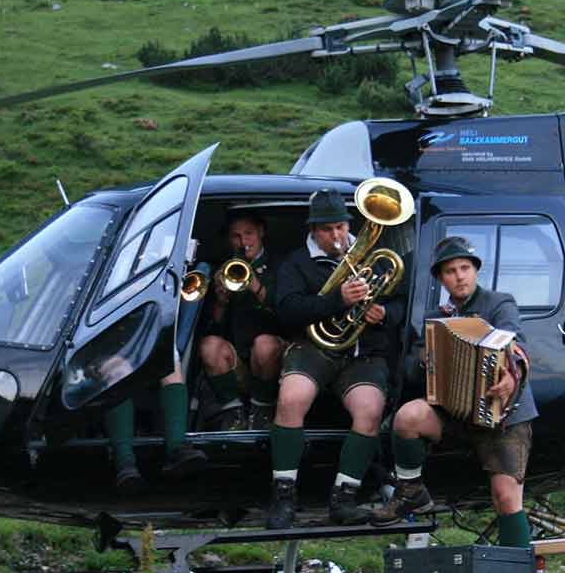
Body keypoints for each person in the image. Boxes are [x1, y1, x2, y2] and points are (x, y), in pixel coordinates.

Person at [371, 236, 538, 549]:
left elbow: (517, 344)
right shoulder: (435, 318)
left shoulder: (499, 303)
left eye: (465, 268)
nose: (459, 276)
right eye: (450, 271)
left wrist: (511, 379)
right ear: (440, 278)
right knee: (408, 417)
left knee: (505, 497)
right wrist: (424, 361)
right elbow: (410, 366)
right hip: (455, 411)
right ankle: (411, 491)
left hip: (503, 414)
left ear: (475, 271)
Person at [266, 188, 406, 529]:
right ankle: (283, 495)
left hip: (362, 353)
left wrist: (383, 313)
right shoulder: (296, 263)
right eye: (328, 229)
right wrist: (337, 300)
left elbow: (402, 304)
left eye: (341, 227)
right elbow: (286, 312)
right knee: (290, 399)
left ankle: (344, 497)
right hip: (313, 348)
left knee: (370, 410)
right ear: (313, 230)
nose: (337, 236)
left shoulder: (372, 255)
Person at [197, 212, 284, 430]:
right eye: (236, 236)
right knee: (208, 345)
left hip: (274, 356)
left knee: (264, 344)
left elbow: (287, 312)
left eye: (249, 234)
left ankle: (262, 409)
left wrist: (256, 286)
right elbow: (214, 327)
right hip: (239, 360)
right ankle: (232, 414)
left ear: (261, 233)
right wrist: (221, 300)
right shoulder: (224, 268)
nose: (243, 242)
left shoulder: (282, 265)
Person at [101, 355, 207, 494]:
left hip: (140, 343)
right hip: (97, 349)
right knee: (117, 367)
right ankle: (124, 462)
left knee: (170, 365)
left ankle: (176, 449)